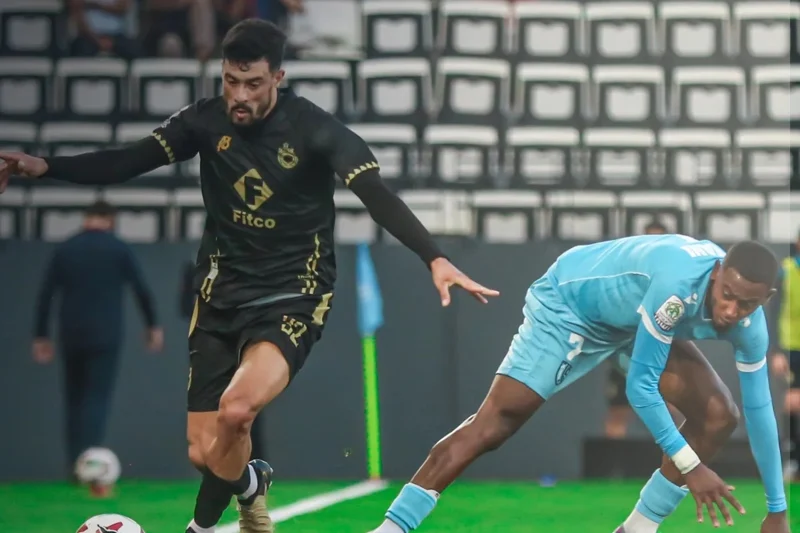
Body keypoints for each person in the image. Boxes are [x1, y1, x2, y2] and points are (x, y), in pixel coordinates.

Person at [0, 19, 498, 533]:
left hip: (293, 294)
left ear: (277, 77)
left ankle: (200, 528)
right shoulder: (204, 121)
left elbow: (378, 197)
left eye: (253, 84)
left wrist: (433, 257)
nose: (240, 95)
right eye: (230, 81)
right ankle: (251, 487)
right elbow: (126, 161)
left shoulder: (315, 128)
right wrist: (45, 165)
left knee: (236, 413)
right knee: (205, 451)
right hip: (219, 297)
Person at [369, 236, 788, 533]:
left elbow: (761, 411)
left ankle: (638, 528)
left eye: (746, 303)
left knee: (719, 416)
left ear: (765, 299)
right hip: (571, 307)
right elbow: (640, 388)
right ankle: (392, 527)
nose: (731, 311)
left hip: (630, 322)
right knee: (496, 423)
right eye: (727, 294)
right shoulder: (677, 288)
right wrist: (692, 467)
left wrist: (777, 511)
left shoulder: (751, 328)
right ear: (716, 274)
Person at [32, 201, 163, 486]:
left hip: (70, 333)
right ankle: (89, 466)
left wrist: (41, 335)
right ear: (110, 220)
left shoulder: (66, 248)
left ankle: (73, 465)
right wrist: (152, 326)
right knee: (96, 398)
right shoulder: (118, 248)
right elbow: (141, 289)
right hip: (106, 334)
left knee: (74, 399)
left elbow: (46, 294)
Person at [604, 218, 676, 439]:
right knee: (618, 412)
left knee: (674, 409)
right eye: (649, 239)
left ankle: (677, 467)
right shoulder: (625, 271)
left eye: (659, 239)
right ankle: (613, 471)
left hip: (660, 354)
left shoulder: (675, 274)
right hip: (625, 352)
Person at [769, 231, 800, 482]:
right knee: (793, 401)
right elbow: (774, 310)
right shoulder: (786, 270)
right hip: (792, 346)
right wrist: (776, 351)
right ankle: (792, 458)